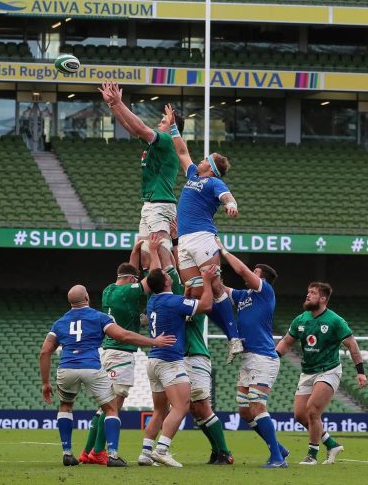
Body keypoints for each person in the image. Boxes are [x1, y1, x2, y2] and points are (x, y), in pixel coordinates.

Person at [39, 284, 176, 467]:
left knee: (65, 406)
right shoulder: (99, 317)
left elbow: (44, 352)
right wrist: (154, 341)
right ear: (87, 297)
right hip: (91, 367)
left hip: (67, 368)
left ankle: (67, 453)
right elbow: (124, 336)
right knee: (111, 408)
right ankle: (112, 455)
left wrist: (45, 383)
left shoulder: (59, 323)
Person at [166, 103, 243, 364]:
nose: (199, 160)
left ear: (210, 167)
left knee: (216, 286)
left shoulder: (213, 181)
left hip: (202, 237)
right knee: (198, 292)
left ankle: (234, 337)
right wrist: (173, 126)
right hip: (185, 240)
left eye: (204, 160)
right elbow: (182, 151)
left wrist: (231, 205)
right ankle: (226, 333)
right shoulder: (192, 175)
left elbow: (227, 196)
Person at [138, 236, 215, 468]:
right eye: (166, 274)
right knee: (182, 406)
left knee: (159, 410)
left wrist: (154, 252)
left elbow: (155, 275)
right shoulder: (173, 302)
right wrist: (207, 282)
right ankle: (162, 450)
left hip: (154, 361)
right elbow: (206, 305)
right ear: (166, 283)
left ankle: (145, 453)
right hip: (170, 361)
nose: (168, 273)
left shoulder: (153, 300)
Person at [276, 282, 366, 466]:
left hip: (328, 370)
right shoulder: (300, 320)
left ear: (323, 299)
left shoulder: (335, 320)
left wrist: (360, 372)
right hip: (307, 372)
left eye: (313, 293)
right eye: (308, 292)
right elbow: (286, 342)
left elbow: (352, 345)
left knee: (312, 410)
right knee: (300, 415)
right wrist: (273, 357)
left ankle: (312, 455)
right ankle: (331, 444)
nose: (308, 295)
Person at [217, 243, 289, 468]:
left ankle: (277, 459)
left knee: (257, 406)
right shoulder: (244, 295)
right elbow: (220, 289)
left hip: (263, 357)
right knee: (245, 410)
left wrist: (223, 251)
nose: (250, 273)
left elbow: (241, 270)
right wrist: (209, 270)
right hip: (249, 357)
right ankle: (278, 448)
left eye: (255, 271)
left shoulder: (264, 291)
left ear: (262, 278)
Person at [99, 81, 182, 273]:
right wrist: (112, 104)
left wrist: (119, 102)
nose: (159, 123)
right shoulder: (156, 145)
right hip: (150, 204)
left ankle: (173, 285)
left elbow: (140, 127)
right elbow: (130, 127)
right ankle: (153, 288)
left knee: (161, 252)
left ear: (173, 127)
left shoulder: (167, 140)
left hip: (161, 204)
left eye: (163, 121)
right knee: (145, 256)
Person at [80, 245, 150, 465]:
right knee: (112, 407)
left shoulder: (109, 290)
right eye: (134, 280)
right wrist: (156, 250)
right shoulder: (128, 291)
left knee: (104, 406)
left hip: (109, 351)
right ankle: (99, 452)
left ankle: (87, 451)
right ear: (131, 280)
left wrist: (136, 251)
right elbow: (153, 279)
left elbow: (130, 275)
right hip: (121, 354)